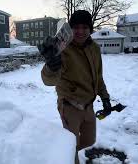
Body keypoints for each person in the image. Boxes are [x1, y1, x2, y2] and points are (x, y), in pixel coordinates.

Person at [38, 10, 112, 164]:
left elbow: (98, 76)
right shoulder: (63, 49)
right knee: (71, 148)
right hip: (70, 106)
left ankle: (64, 152)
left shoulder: (94, 49)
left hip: (88, 106)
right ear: (70, 29)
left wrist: (105, 97)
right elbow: (49, 80)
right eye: (76, 27)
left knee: (89, 140)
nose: (80, 31)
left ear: (90, 29)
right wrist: (51, 65)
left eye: (85, 27)